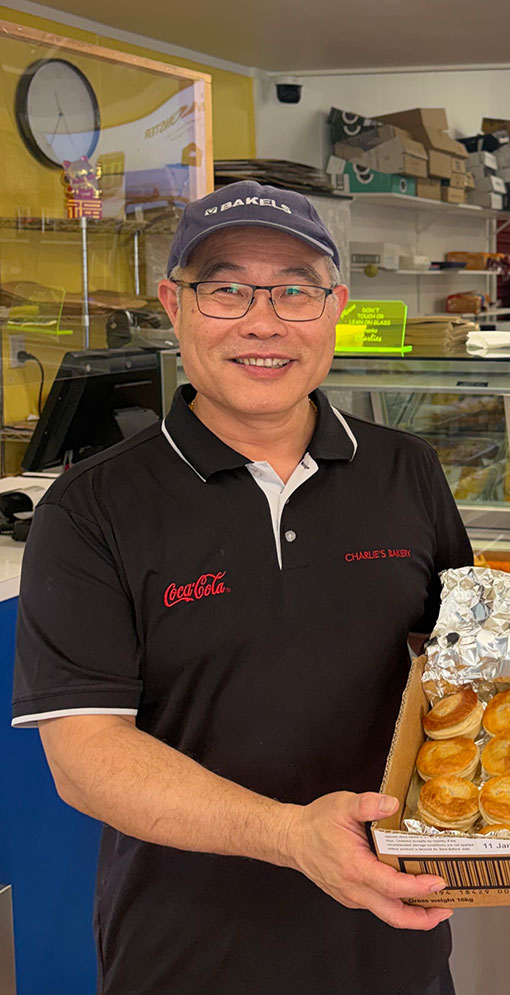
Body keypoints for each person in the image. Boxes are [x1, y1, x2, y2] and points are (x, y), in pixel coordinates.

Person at [11, 181, 473, 994]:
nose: (264, 322)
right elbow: (85, 758)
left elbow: (462, 681)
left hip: (393, 941)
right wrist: (290, 834)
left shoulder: (407, 471)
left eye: (295, 289)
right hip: (189, 951)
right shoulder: (92, 508)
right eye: (226, 288)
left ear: (335, 305)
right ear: (174, 303)